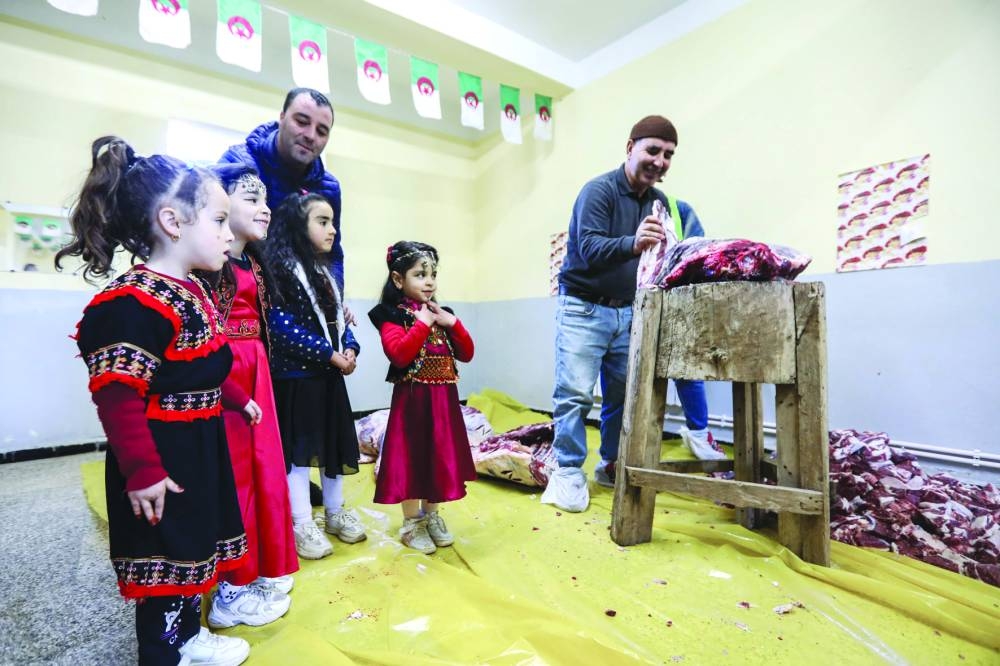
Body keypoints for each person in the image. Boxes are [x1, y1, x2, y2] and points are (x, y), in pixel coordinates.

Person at [55, 136, 250, 665]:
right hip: (162, 459)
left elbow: (198, 363)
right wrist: (142, 471)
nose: (229, 235)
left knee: (193, 545)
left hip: (199, 445)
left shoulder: (191, 291)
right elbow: (118, 394)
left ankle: (189, 635)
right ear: (173, 221)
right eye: (218, 220)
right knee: (166, 556)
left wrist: (235, 399)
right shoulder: (132, 301)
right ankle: (164, 650)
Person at [542, 115, 725, 515]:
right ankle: (569, 471)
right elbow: (588, 248)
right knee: (574, 394)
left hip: (629, 312)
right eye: (653, 150)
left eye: (669, 155)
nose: (660, 161)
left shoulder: (661, 204)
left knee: (623, 397)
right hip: (583, 309)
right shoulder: (598, 191)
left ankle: (610, 463)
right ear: (630, 148)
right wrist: (633, 242)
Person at [202, 164, 297, 630]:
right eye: (251, 199)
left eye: (266, 200)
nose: (265, 209)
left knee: (263, 471)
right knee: (236, 476)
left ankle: (258, 566)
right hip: (229, 372)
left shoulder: (254, 263)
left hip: (254, 367)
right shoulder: (209, 267)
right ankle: (230, 587)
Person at [263, 192, 364, 560]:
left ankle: (335, 514)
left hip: (329, 379)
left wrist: (350, 348)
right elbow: (281, 328)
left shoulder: (326, 274)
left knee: (333, 448)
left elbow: (339, 321)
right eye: (322, 222)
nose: (332, 230)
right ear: (296, 227)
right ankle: (302, 522)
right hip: (298, 380)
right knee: (300, 454)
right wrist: (330, 354)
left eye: (333, 222)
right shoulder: (280, 273)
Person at [367, 241, 476, 554]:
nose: (429, 281)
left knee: (438, 457)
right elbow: (399, 355)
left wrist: (453, 323)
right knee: (413, 458)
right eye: (420, 274)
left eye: (433, 274)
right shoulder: (390, 315)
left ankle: (432, 516)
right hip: (413, 403)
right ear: (399, 280)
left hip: (443, 402)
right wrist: (422, 324)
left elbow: (467, 354)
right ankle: (412, 521)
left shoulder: (442, 314)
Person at [219, 88, 346, 299]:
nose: (310, 136)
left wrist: (334, 300)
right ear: (281, 118)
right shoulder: (239, 162)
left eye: (322, 131)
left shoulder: (329, 188)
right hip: (241, 296)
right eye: (302, 121)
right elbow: (214, 231)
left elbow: (332, 253)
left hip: (303, 302)